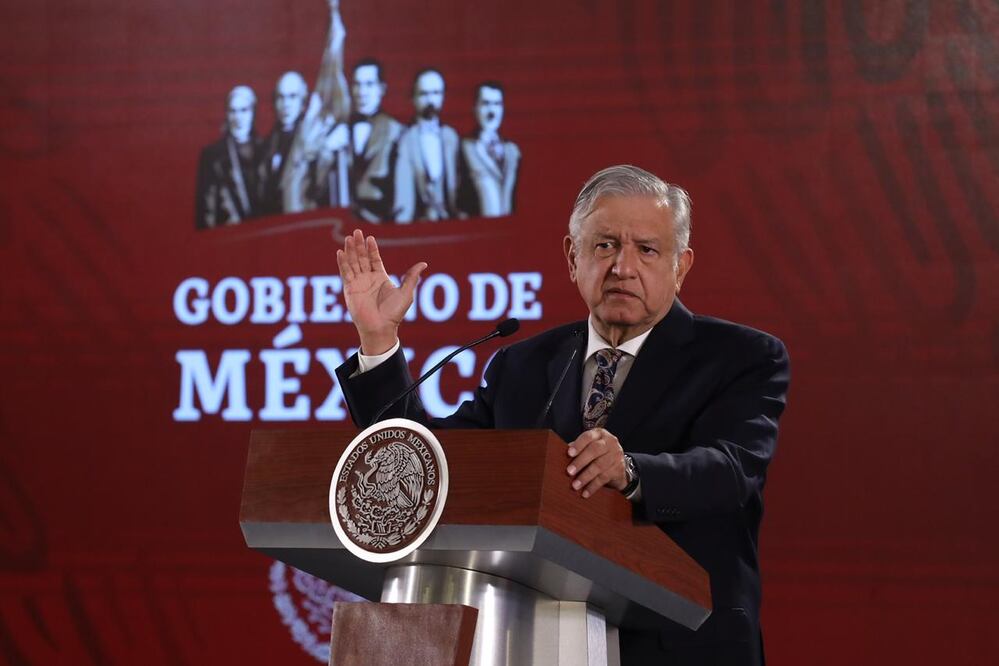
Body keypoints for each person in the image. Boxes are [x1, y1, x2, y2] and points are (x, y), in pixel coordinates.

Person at [334, 165, 790, 665]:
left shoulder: (741, 357)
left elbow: (731, 471)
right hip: (531, 643)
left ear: (681, 266)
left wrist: (633, 471)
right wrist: (378, 341)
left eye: (647, 249)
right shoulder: (524, 365)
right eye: (605, 245)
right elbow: (428, 465)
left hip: (679, 647)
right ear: (573, 258)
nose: (623, 266)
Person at [392, 68, 460, 222]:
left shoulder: (452, 137)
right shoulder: (405, 141)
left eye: (436, 93)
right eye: (424, 94)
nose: (430, 100)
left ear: (442, 97)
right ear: (413, 98)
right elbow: (403, 197)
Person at [194, 85, 260, 229]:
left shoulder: (266, 148)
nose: (238, 118)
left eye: (244, 110)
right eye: (233, 111)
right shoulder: (212, 156)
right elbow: (207, 211)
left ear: (253, 112)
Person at [348, 58, 404, 222]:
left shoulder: (396, 132)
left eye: (369, 84)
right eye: (357, 84)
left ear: (382, 89)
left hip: (381, 224)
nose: (361, 92)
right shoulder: (341, 130)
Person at [457, 81, 520, 217]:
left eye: (497, 104)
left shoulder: (512, 151)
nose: (492, 111)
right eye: (485, 104)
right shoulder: (464, 147)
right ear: (475, 107)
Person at [257, 71, 309, 215]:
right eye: (281, 97)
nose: (286, 104)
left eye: (292, 97)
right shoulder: (266, 145)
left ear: (303, 102)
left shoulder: (312, 140)